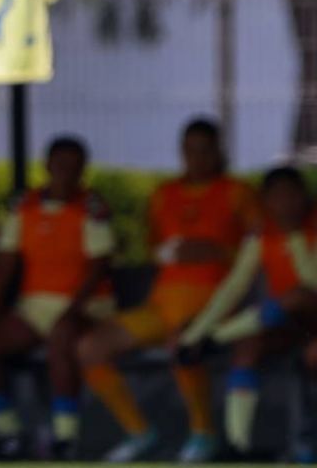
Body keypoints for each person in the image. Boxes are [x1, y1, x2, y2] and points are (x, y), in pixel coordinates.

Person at [77, 118, 257, 463]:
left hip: (214, 307)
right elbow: (153, 246)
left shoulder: (238, 193)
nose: (197, 158)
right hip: (162, 305)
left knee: (183, 341)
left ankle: (203, 435)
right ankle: (139, 433)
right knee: (90, 346)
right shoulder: (164, 195)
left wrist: (217, 251)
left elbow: (258, 248)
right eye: (190, 150)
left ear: (219, 151)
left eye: (205, 150)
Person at [0, 136, 116, 460]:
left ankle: (64, 437)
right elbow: (4, 263)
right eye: (60, 166)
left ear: (83, 170)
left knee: (61, 340)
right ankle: (9, 432)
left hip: (85, 305)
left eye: (74, 167)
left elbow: (99, 266)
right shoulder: (25, 207)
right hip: (33, 307)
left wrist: (72, 312)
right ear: (47, 167)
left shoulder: (91, 208)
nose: (66, 173)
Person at [176, 166, 317, 459]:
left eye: (292, 195)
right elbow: (233, 287)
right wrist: (194, 334)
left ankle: (217, 338)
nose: (286, 204)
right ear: (265, 201)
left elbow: (311, 284)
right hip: (291, 323)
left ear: (305, 197)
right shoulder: (260, 235)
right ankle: (238, 446)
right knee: (247, 345)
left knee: (299, 299)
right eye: (277, 197)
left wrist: (295, 239)